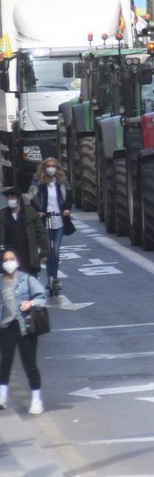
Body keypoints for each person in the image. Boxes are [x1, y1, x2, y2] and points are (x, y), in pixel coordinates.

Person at [0, 249, 48, 414]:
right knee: (5, 362)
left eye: (12, 259)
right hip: (6, 327)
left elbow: (42, 296)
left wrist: (31, 303)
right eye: (6, 259)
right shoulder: (1, 282)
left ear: (17, 261)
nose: (9, 262)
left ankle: (36, 400)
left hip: (25, 326)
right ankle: (2, 395)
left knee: (30, 365)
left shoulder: (27, 279)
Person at [31, 158, 72, 297]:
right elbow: (32, 198)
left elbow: (68, 197)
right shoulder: (38, 182)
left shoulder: (62, 182)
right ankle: (50, 278)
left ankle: (55, 277)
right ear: (44, 168)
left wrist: (67, 209)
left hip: (59, 220)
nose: (51, 168)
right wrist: (38, 211)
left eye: (53, 166)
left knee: (56, 251)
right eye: (48, 166)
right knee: (49, 251)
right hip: (45, 220)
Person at [0, 187, 47, 279]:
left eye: (13, 197)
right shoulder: (3, 215)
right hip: (9, 254)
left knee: (29, 280)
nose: (10, 200)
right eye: (9, 198)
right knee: (12, 280)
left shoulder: (30, 212)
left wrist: (44, 253)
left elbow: (41, 233)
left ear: (19, 199)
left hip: (28, 253)